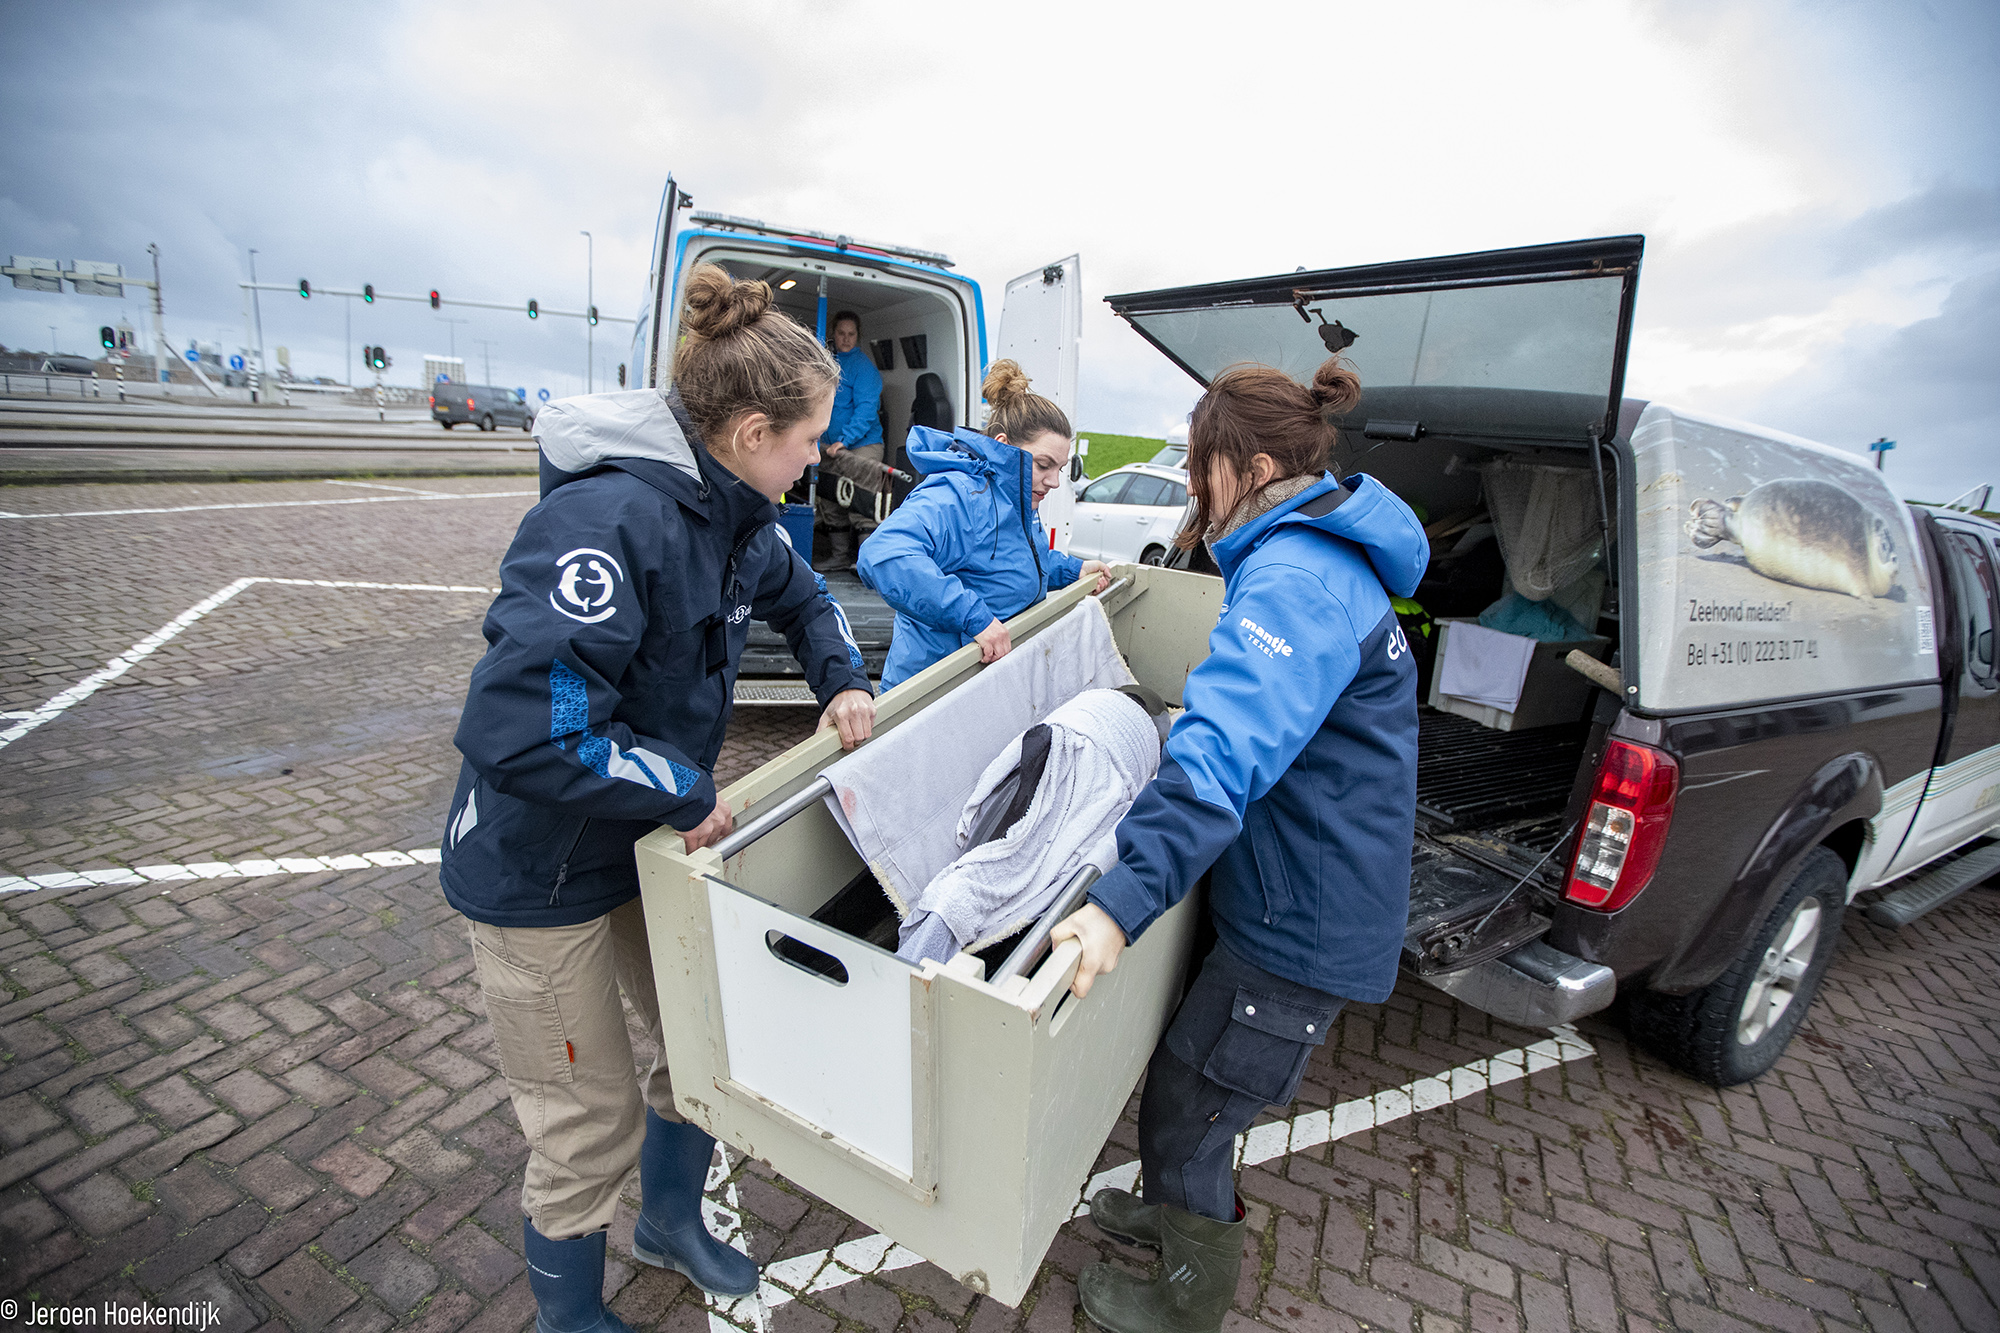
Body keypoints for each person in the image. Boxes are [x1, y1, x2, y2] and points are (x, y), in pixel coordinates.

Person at [439, 263, 877, 1333]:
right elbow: (523, 727)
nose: (820, 456)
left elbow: (804, 594)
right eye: (810, 438)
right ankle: (571, 1319)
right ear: (749, 431)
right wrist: (682, 784)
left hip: (635, 840)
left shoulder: (736, 514)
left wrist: (845, 677)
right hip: (538, 869)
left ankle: (669, 1224)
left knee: (704, 1040)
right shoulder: (609, 521)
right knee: (583, 1120)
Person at [1049, 358, 1430, 1333]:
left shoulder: (1297, 579)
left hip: (1301, 913)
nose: (1187, 481)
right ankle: (1174, 1205)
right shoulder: (1304, 554)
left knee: (1194, 1103)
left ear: (1253, 465)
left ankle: (1186, 1295)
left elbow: (1224, 753)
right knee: (1190, 1077)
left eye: (1198, 462)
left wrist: (1118, 900)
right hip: (1288, 881)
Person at [856, 359, 1112, 690]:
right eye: (1044, 465)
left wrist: (1070, 570)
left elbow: (1008, 563)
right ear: (1005, 446)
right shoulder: (962, 494)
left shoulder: (1016, 498)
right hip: (933, 688)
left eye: (1059, 469)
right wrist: (973, 616)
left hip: (978, 685)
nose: (1053, 482)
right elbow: (883, 554)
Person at [814, 309, 886, 571]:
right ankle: (840, 556)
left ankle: (866, 562)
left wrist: (844, 440)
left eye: (851, 334)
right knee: (830, 498)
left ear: (858, 336)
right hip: (831, 447)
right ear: (833, 333)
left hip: (862, 446)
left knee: (860, 500)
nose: (846, 339)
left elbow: (867, 410)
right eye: (841, 333)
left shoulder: (864, 369)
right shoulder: (826, 363)